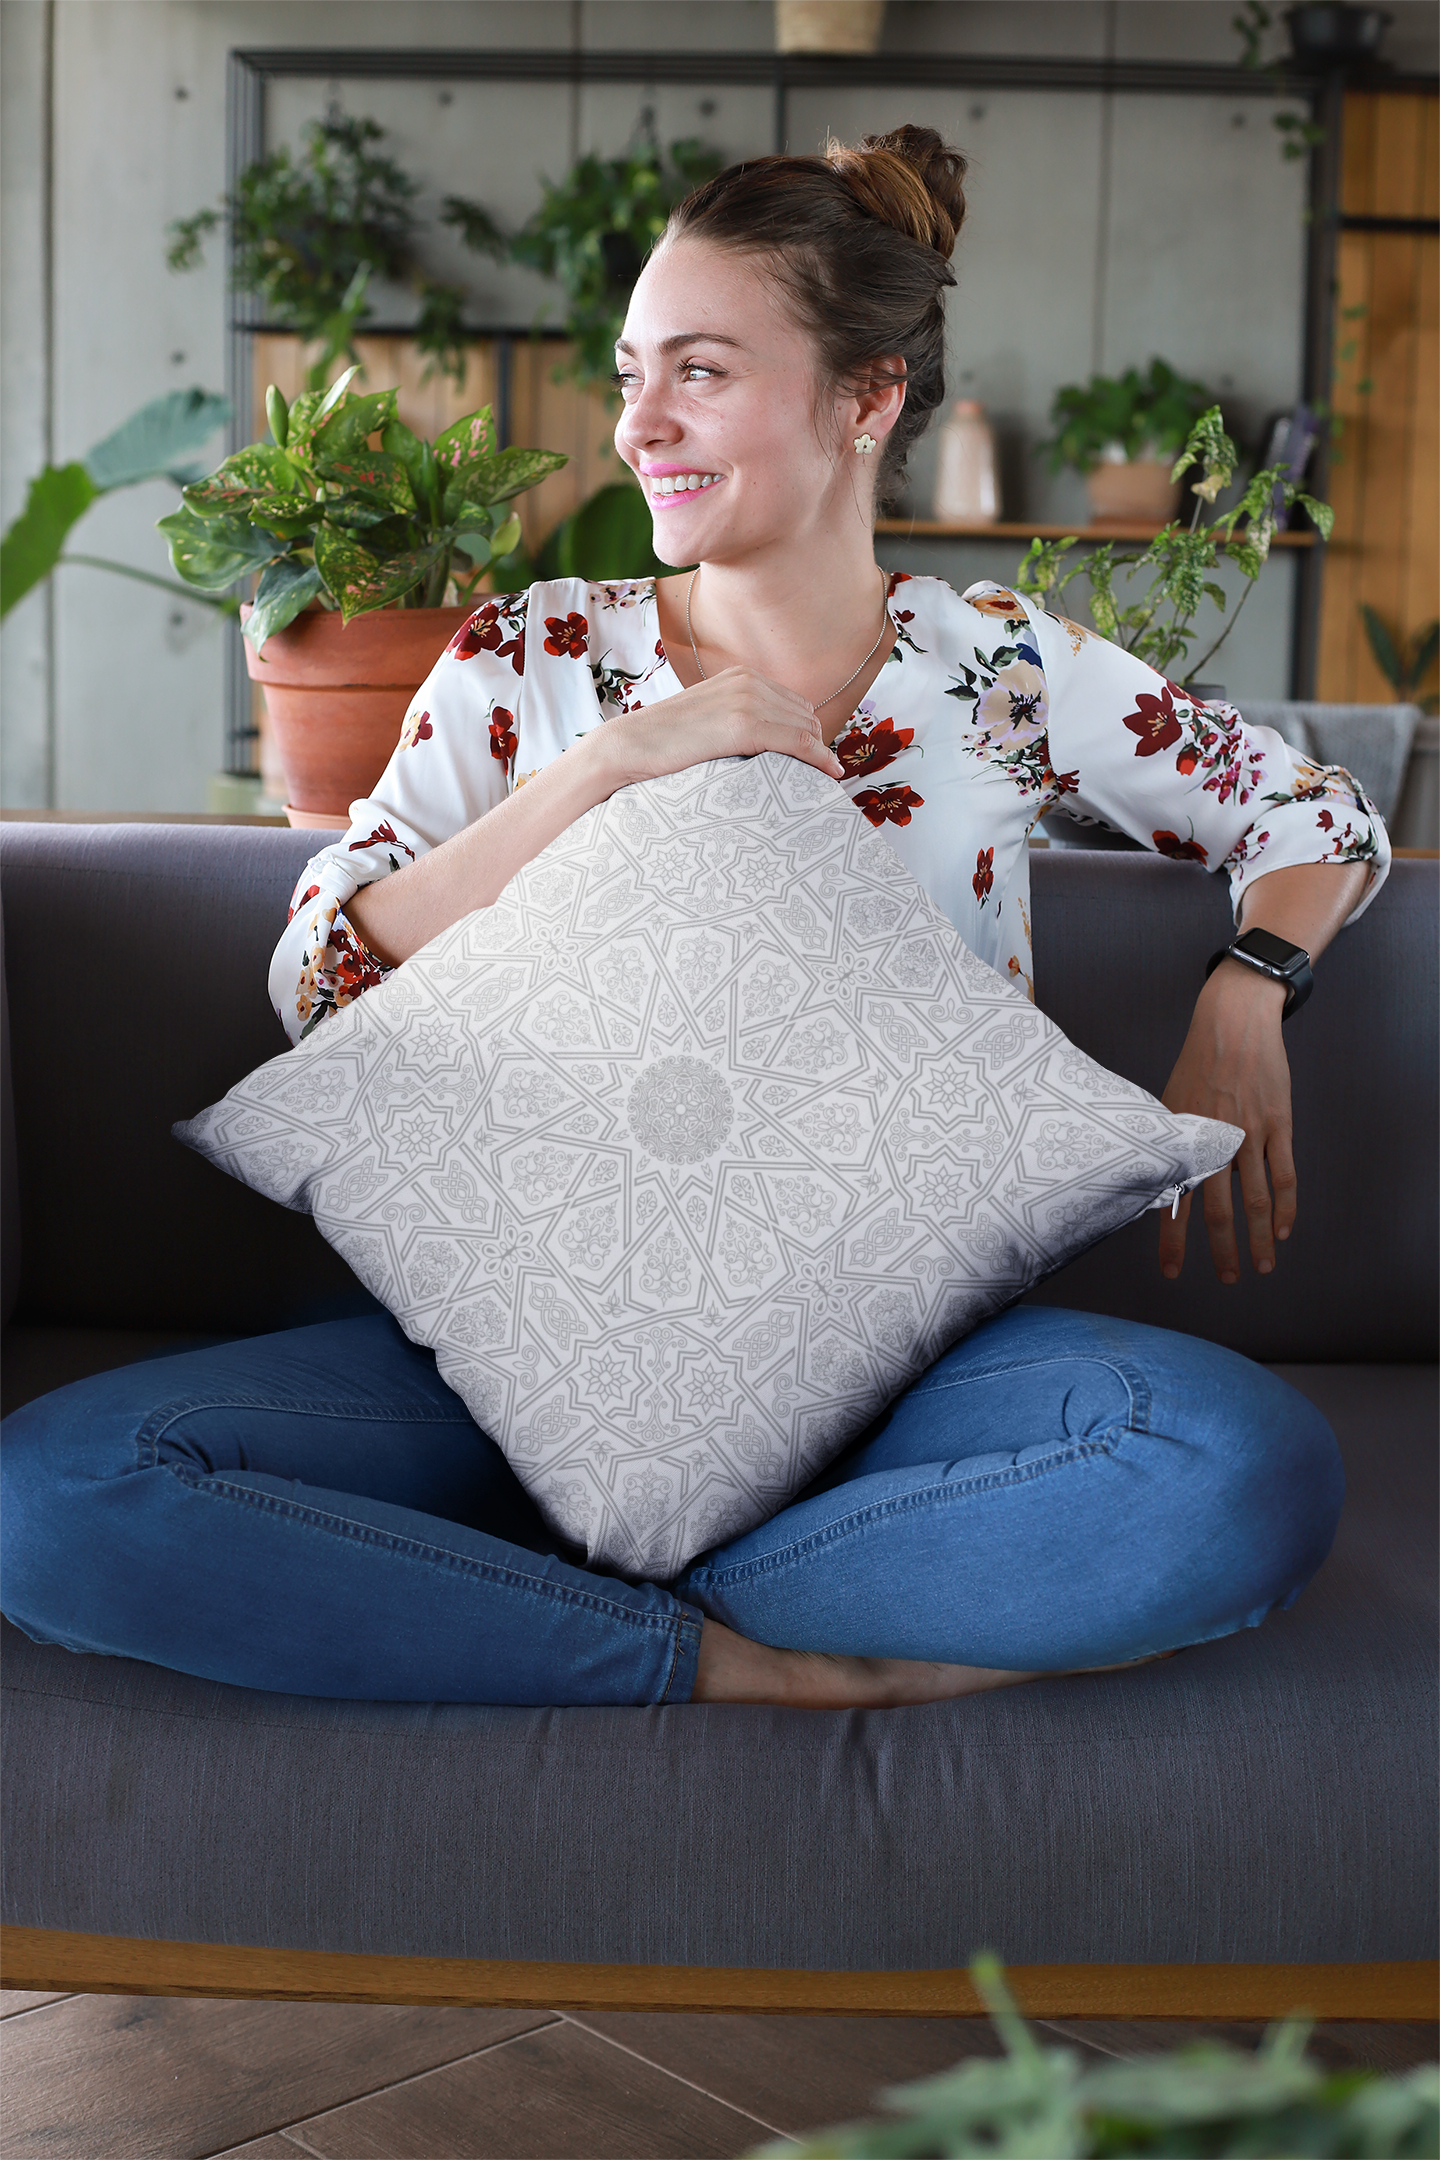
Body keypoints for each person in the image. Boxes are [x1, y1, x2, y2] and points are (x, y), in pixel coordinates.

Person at [1, 129, 1383, 1712]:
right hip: (501, 1363)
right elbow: (323, 973)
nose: (637, 423)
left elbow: (1311, 813)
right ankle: (718, 1659)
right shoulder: (530, 656)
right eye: (630, 370)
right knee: (56, 1492)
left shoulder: (999, 669)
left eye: (702, 372)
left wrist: (1245, 993)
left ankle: (577, 1591)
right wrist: (601, 769)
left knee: (1237, 1468)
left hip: (895, 1381)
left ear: (867, 400)